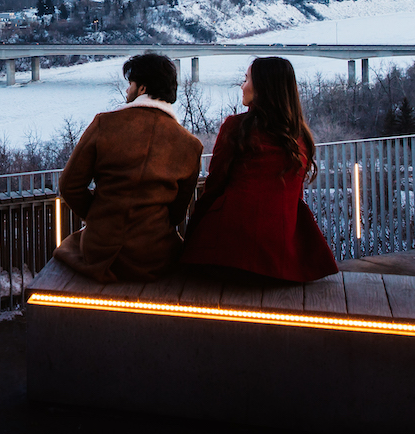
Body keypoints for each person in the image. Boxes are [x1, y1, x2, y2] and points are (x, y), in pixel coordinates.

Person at [180, 57, 338, 282]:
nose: (242, 86)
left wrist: (193, 238)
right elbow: (294, 197)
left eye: (246, 79)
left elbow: (214, 187)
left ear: (263, 86)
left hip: (227, 254)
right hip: (280, 261)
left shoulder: (236, 127)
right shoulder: (300, 138)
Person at [54, 52, 204, 283]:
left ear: (142, 89)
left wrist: (98, 218)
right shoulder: (189, 145)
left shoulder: (105, 123)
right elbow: (177, 211)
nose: (127, 91)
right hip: (155, 257)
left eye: (130, 84)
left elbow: (69, 185)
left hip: (99, 250)